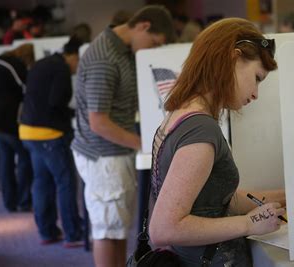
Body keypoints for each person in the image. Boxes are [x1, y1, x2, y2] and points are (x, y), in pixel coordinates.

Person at [148, 18, 286, 266]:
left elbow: (214, 201)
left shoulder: (183, 115)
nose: (255, 93)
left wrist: (287, 197)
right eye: (256, 77)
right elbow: (163, 229)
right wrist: (249, 223)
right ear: (233, 59)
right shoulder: (201, 130)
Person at [71, 5, 175, 267]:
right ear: (144, 26)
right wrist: (144, 145)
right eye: (153, 42)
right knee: (107, 231)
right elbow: (99, 123)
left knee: (117, 229)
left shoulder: (124, 52)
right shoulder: (105, 57)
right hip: (104, 157)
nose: (152, 49)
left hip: (115, 153)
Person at [19, 37, 84, 247]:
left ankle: (47, 231)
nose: (78, 68)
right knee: (65, 182)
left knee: (42, 182)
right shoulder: (62, 69)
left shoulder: (43, 63)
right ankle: (73, 233)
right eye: (79, 62)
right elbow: (56, 102)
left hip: (28, 131)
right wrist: (74, 114)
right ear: (72, 57)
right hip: (48, 134)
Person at [0, 43, 34, 212]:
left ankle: (9, 202)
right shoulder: (16, 66)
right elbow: (28, 90)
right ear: (26, 57)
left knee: (5, 159)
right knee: (25, 157)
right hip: (6, 121)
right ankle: (24, 200)